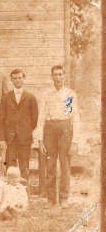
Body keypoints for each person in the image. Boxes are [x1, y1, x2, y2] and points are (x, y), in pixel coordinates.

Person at [37, 65, 81, 208]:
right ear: (52, 77)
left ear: (64, 76)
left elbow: (74, 117)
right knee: (50, 164)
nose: (58, 77)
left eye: (60, 74)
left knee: (65, 164)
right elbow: (41, 116)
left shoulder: (70, 94)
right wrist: (39, 139)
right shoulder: (46, 94)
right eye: (55, 75)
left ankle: (64, 198)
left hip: (65, 130)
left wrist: (75, 141)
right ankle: (50, 198)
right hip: (49, 129)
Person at [0, 69, 38, 182]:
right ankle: (11, 193)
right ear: (11, 80)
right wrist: (1, 138)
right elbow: (1, 120)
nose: (17, 80)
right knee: (10, 166)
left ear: (24, 78)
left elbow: (34, 119)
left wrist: (25, 130)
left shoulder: (30, 98)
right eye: (15, 78)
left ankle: (23, 193)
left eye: (20, 77)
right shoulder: (6, 97)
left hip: (25, 138)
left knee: (24, 166)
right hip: (10, 138)